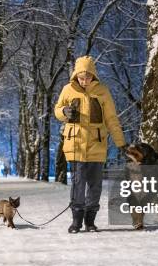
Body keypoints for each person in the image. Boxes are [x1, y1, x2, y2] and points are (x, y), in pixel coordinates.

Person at [54, 55, 127, 233]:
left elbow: (111, 118)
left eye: (87, 77)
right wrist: (64, 111)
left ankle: (90, 221)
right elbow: (57, 110)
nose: (84, 80)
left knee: (95, 186)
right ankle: (76, 222)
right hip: (76, 145)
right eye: (81, 77)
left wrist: (121, 143)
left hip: (97, 144)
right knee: (78, 184)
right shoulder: (68, 89)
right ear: (76, 76)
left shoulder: (102, 91)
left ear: (93, 75)